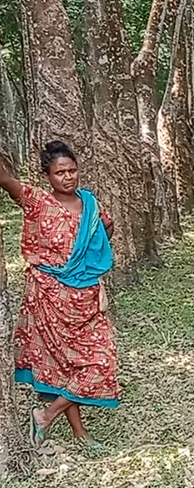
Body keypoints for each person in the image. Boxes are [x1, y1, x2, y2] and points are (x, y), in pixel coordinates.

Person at [0, 141, 119, 449]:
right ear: (47, 176)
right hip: (50, 296)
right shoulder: (38, 201)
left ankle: (44, 415)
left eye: (72, 170)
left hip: (86, 297)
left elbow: (102, 235)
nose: (68, 177)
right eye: (59, 172)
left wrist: (102, 238)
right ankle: (80, 435)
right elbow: (6, 180)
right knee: (61, 367)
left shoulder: (90, 204)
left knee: (100, 361)